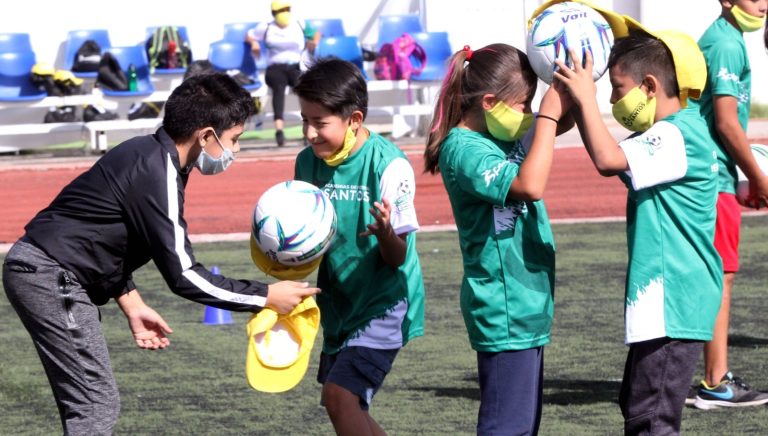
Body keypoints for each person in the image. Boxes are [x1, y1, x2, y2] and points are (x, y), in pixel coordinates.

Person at [1, 72, 320, 436]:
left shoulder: (148, 153)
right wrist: (264, 296)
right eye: (235, 140)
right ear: (206, 136)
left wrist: (130, 301)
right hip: (49, 276)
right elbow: (183, 275)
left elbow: (97, 237)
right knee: (94, 405)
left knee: (88, 402)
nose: (236, 150)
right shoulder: (159, 171)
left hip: (44, 270)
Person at [554, 26, 724, 433]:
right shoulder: (668, 136)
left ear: (649, 86)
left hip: (673, 303)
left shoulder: (675, 135)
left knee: (651, 419)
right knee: (638, 403)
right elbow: (612, 155)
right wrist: (579, 105)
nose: (613, 99)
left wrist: (583, 97)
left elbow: (607, 159)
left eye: (617, 87)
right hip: (670, 303)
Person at [423, 43, 573, 435]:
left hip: (526, 302)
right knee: (505, 428)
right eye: (523, 105)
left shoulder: (499, 136)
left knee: (521, 426)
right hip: (503, 307)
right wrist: (549, 112)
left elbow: (554, 125)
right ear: (490, 102)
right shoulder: (464, 149)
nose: (527, 114)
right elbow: (530, 183)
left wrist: (571, 86)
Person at [291, 58, 425, 436]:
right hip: (339, 303)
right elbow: (308, 238)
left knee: (340, 397)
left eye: (320, 123)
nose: (310, 133)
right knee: (341, 404)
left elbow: (397, 256)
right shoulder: (306, 164)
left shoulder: (389, 165)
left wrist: (385, 232)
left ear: (354, 119)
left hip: (385, 302)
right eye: (305, 120)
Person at [686, 0, 768, 410]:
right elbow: (725, 121)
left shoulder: (727, 38)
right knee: (721, 276)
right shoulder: (725, 43)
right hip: (713, 175)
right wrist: (757, 176)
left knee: (714, 274)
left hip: (715, 174)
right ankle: (716, 382)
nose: (763, 3)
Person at [246, 0, 321, 146]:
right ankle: (279, 130)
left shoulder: (299, 23)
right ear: (274, 13)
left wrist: (314, 42)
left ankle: (309, 127)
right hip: (275, 67)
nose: (284, 13)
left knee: (304, 90)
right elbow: (249, 35)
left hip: (295, 66)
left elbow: (315, 33)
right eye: (281, 10)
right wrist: (254, 43)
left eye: (287, 9)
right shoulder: (266, 26)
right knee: (278, 88)